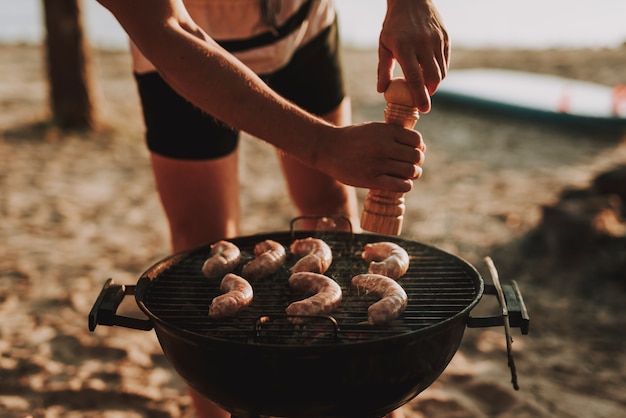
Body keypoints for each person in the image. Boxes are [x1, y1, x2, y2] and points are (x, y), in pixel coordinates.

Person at [96, 0, 450, 417]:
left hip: (298, 28)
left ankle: (369, 403)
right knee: (201, 239)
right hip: (179, 52)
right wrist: (324, 146)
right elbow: (165, 25)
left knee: (330, 215)